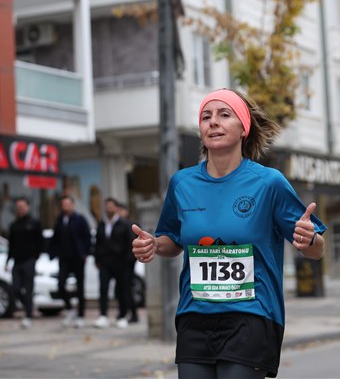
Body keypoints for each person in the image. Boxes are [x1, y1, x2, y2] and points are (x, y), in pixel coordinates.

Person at [131, 88, 327, 379]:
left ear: (243, 128)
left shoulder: (269, 183)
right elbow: (172, 239)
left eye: (224, 115)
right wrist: (154, 245)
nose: (213, 122)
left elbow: (316, 250)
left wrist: (308, 238)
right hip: (195, 315)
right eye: (206, 117)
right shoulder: (182, 183)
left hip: (252, 315)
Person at [49, 195, 92, 328]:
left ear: (72, 205)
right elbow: (55, 238)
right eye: (63, 204)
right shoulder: (60, 220)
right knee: (60, 284)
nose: (65, 207)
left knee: (80, 287)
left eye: (67, 204)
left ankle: (81, 315)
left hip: (78, 258)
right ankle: (70, 309)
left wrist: (85, 252)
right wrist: (52, 253)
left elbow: (87, 236)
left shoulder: (80, 219)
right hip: (64, 258)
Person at [93, 197, 134, 328]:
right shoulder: (101, 224)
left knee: (122, 289)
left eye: (111, 206)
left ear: (116, 208)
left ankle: (123, 315)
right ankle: (103, 315)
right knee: (103, 288)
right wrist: (97, 259)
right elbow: (97, 243)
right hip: (105, 263)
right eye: (107, 206)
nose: (108, 209)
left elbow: (130, 243)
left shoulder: (124, 224)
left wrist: (128, 261)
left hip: (121, 263)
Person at [5, 197, 43, 329]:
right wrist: (7, 260)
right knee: (15, 288)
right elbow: (11, 245)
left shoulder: (34, 223)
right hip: (17, 261)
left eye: (22, 206)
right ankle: (29, 306)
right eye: (18, 207)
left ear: (28, 207)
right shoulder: (14, 225)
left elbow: (40, 241)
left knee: (28, 289)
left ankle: (28, 315)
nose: (20, 209)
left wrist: (36, 256)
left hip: (29, 260)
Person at [116, 201, 139, 323]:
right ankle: (123, 312)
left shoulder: (129, 225)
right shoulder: (117, 225)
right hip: (121, 263)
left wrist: (129, 260)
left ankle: (132, 313)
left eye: (121, 211)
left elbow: (131, 245)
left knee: (127, 289)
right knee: (120, 289)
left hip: (127, 263)